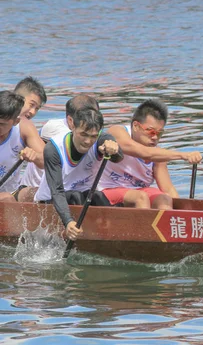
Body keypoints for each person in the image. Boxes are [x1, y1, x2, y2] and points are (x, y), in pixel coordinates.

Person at [34, 107, 124, 241]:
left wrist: (114, 149)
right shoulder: (53, 148)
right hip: (51, 201)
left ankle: (115, 234)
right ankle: (86, 235)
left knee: (98, 196)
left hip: (84, 196)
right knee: (76, 196)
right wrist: (68, 222)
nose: (88, 141)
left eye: (93, 136)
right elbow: (57, 191)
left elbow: (118, 156)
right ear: (73, 127)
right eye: (83, 134)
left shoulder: (101, 140)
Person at [98, 99, 202, 210]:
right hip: (106, 190)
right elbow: (144, 153)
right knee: (140, 198)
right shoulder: (117, 132)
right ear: (136, 126)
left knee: (164, 199)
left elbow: (168, 189)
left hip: (137, 193)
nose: (155, 137)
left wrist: (185, 212)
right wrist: (184, 155)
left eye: (159, 133)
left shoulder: (158, 155)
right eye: (151, 131)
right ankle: (144, 227)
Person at [17, 95, 100, 202]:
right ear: (71, 120)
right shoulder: (55, 128)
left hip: (72, 187)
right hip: (37, 189)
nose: (92, 121)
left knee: (97, 196)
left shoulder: (90, 133)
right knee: (76, 197)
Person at [0, 91, 45, 202]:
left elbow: (47, 161)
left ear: (16, 121)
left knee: (39, 193)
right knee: (7, 199)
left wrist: (34, 156)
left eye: (2, 124)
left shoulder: (24, 127)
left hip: (13, 191)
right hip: (7, 198)